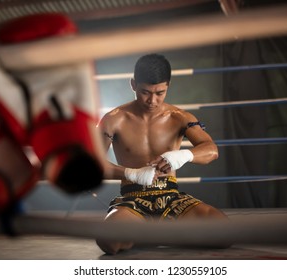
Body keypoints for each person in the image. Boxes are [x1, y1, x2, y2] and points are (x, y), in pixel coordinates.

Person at [96, 53, 229, 255]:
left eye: (160, 92)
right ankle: (160, 233)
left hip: (172, 199)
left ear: (168, 86)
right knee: (109, 240)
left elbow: (211, 150)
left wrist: (182, 156)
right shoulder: (114, 119)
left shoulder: (180, 117)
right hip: (133, 201)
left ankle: (150, 235)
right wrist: (133, 174)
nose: (152, 100)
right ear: (133, 84)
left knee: (225, 233)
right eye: (145, 92)